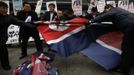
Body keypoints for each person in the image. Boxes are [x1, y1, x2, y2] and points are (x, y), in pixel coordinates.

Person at [91, 4, 134, 75]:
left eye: (106, 10)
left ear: (109, 8)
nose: (106, 12)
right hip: (131, 26)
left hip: (131, 28)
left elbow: (104, 16)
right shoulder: (122, 11)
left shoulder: (114, 10)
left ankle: (124, 69)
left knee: (127, 48)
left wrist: (91, 21)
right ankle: (130, 64)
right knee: (132, 48)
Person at [0, 1, 34, 70]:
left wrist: (31, 26)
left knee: (2, 49)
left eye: (6, 8)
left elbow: (19, 22)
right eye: (4, 8)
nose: (6, 10)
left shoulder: (9, 18)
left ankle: (5, 65)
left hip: (2, 37)